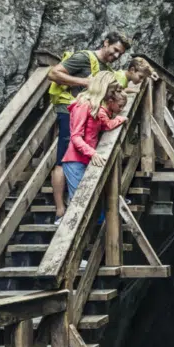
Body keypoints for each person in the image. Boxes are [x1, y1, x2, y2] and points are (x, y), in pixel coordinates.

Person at [47, 30, 131, 223]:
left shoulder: (106, 68)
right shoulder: (84, 58)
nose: (116, 55)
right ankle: (61, 210)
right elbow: (53, 73)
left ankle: (81, 205)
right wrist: (85, 82)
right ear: (106, 42)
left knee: (79, 158)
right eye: (115, 49)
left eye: (120, 53)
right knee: (62, 159)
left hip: (89, 115)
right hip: (70, 111)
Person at [61, 72, 127, 204]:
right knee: (80, 202)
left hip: (87, 159)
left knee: (91, 202)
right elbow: (76, 136)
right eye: (112, 90)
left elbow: (105, 125)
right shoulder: (83, 105)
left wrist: (119, 119)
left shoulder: (95, 106)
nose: (113, 94)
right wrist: (93, 153)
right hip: (75, 160)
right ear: (103, 87)